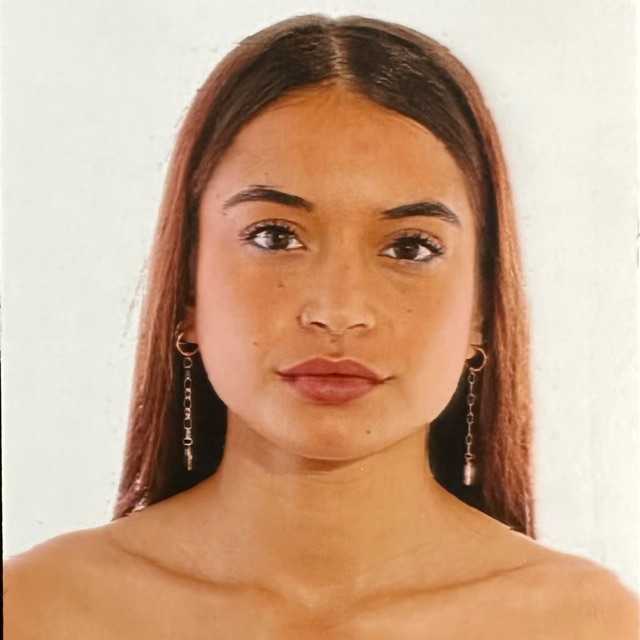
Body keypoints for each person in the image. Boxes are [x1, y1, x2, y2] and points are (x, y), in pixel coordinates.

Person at [5, 13, 638, 638]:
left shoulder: (589, 625)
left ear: (481, 309)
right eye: (274, 236)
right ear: (187, 289)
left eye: (410, 247)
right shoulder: (36, 611)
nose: (337, 311)